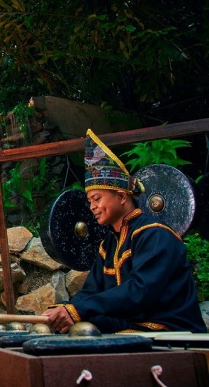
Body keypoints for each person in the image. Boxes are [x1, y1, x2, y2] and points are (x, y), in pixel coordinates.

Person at [43, 129, 206, 334]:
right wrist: (67, 309)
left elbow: (141, 290)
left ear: (121, 196)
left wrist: (79, 310)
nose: (92, 207)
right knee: (77, 326)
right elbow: (91, 291)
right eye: (90, 201)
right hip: (132, 325)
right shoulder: (108, 245)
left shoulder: (156, 235)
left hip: (170, 330)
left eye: (97, 199)